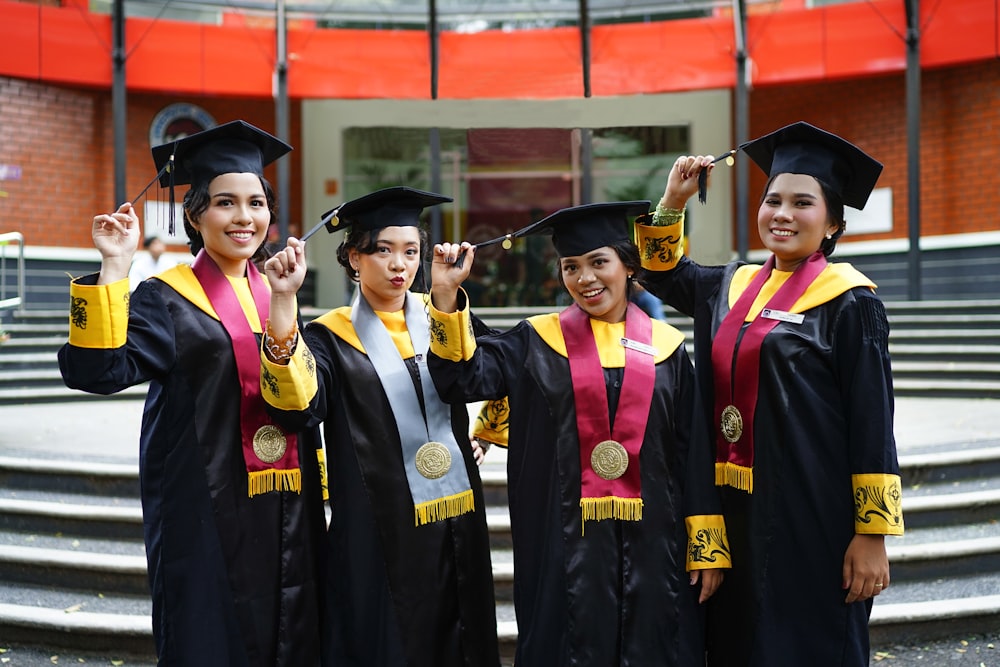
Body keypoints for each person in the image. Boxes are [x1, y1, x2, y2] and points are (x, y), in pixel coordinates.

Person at [58, 120, 327, 666]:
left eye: (256, 202)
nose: (244, 217)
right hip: (204, 496)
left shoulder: (282, 291)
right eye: (225, 202)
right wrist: (115, 265)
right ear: (196, 214)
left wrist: (284, 304)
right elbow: (97, 371)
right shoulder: (166, 299)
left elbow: (308, 404)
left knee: (289, 619)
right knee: (209, 628)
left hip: (283, 499)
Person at [636, 121, 904, 666]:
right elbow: (659, 273)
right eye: (772, 200)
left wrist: (872, 534)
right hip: (735, 510)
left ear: (832, 223)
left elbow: (872, 421)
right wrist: (673, 200)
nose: (781, 214)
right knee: (738, 640)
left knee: (810, 641)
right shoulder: (729, 286)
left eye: (802, 203)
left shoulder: (851, 302)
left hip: (814, 511)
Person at [426, 201, 730, 666]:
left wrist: (707, 546)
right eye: (572, 266)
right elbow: (462, 379)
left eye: (598, 262)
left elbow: (691, 453)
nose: (585, 278)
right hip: (562, 546)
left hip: (657, 550)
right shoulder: (534, 341)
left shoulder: (668, 349)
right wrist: (445, 296)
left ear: (629, 265)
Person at [260, 186, 501, 667]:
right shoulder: (330, 337)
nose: (399, 265)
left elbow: (504, 372)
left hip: (456, 513)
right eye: (383, 250)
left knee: (462, 625)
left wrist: (487, 434)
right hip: (377, 521)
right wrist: (283, 299)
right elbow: (297, 406)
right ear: (354, 257)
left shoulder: (444, 318)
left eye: (410, 252)